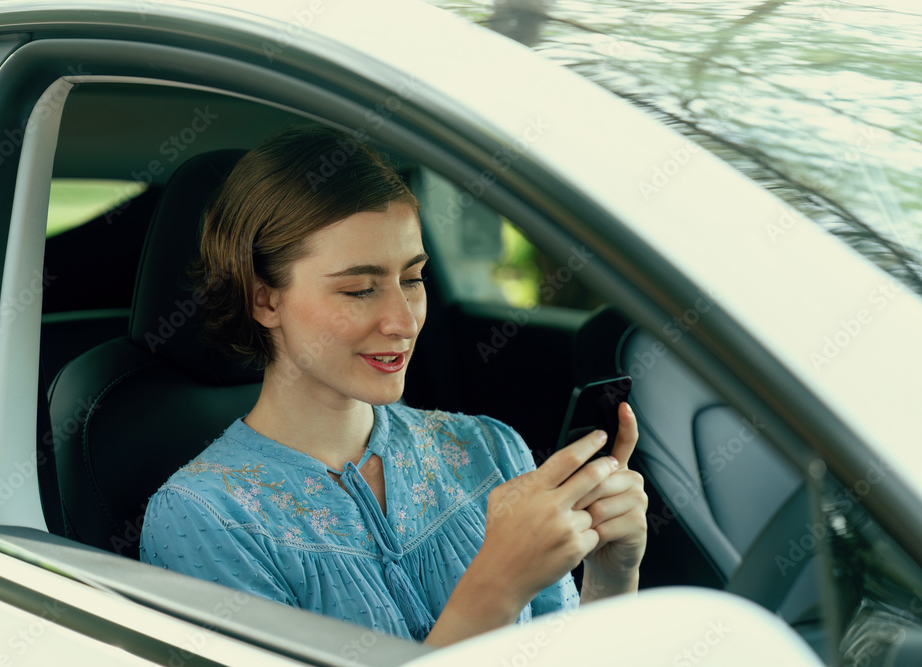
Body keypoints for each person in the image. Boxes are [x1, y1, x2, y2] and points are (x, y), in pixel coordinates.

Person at [139, 126, 647, 647]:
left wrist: (610, 576)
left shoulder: (488, 449)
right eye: (360, 289)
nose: (403, 321)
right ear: (265, 301)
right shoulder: (204, 519)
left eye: (412, 279)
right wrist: (496, 586)